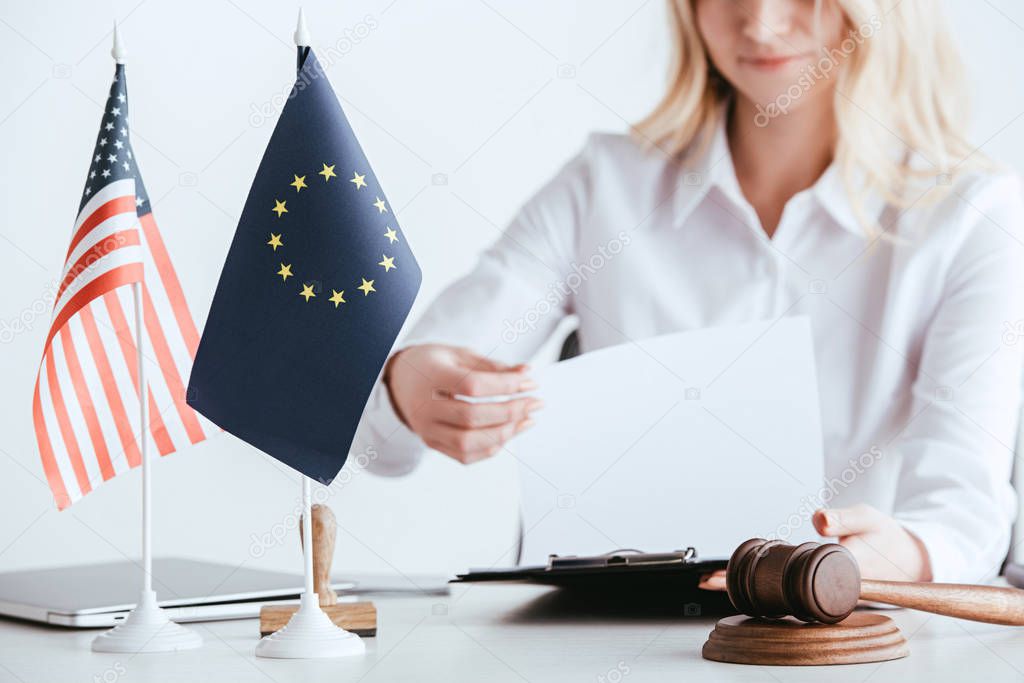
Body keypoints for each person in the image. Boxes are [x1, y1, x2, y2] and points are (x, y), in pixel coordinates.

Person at [353, 0, 1024, 586]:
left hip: (850, 638)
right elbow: (384, 421)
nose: (760, 21)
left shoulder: (970, 219)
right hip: (609, 643)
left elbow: (962, 517)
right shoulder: (603, 188)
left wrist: (894, 557)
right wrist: (405, 384)